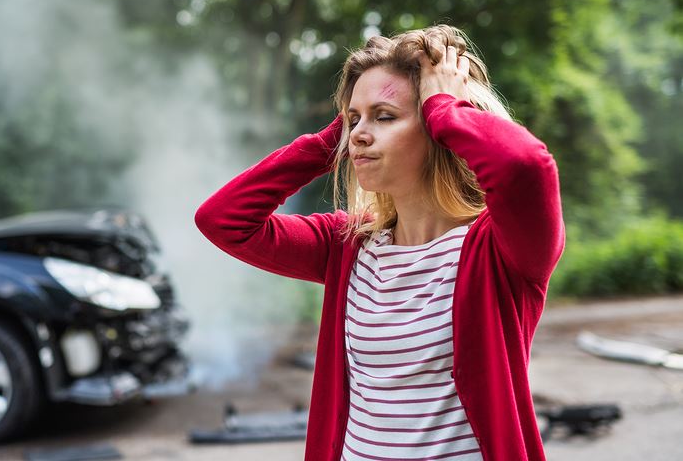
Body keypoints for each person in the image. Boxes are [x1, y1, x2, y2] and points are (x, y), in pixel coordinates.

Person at [194, 24, 565, 461]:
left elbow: (525, 165)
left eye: (385, 116)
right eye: (353, 119)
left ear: (437, 128)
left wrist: (446, 108)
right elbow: (223, 220)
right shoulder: (347, 245)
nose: (359, 135)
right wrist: (330, 141)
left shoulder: (498, 249)